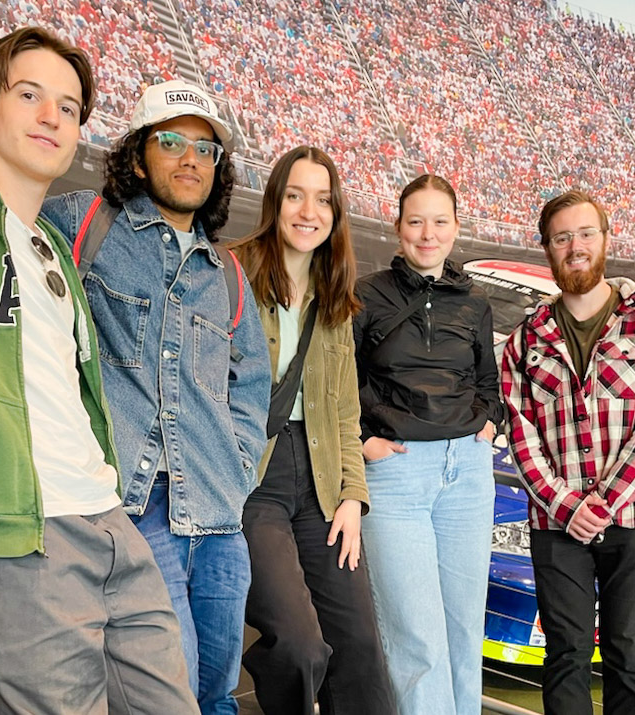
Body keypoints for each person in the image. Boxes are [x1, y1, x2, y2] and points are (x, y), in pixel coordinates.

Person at [0, 79, 270, 715]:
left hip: (218, 514)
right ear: (137, 154)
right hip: (130, 508)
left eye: (206, 149)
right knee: (169, 691)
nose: (191, 158)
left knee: (216, 695)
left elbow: (251, 386)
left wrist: (239, 471)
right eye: (171, 141)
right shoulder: (81, 222)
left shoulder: (230, 274)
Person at [501, 189, 635, 715]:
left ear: (605, 240)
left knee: (628, 654)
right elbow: (521, 434)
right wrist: (567, 508)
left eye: (585, 234)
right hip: (557, 526)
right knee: (565, 655)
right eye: (562, 238)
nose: (574, 246)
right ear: (547, 249)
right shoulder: (526, 340)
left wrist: (600, 503)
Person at [229, 146, 395, 715]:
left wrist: (353, 495)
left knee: (361, 648)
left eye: (323, 199)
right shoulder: (232, 274)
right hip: (254, 479)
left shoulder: (335, 299)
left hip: (324, 478)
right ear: (275, 202)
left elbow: (345, 412)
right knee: (298, 645)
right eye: (295, 195)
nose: (309, 211)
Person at [353, 174, 503, 715]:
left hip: (466, 471)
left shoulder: (475, 304)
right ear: (397, 228)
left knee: (465, 634)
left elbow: (489, 382)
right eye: (416, 221)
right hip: (396, 474)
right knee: (415, 639)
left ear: (456, 229)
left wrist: (488, 426)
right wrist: (362, 440)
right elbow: (335, 382)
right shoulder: (366, 296)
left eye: (440, 222)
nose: (427, 233)